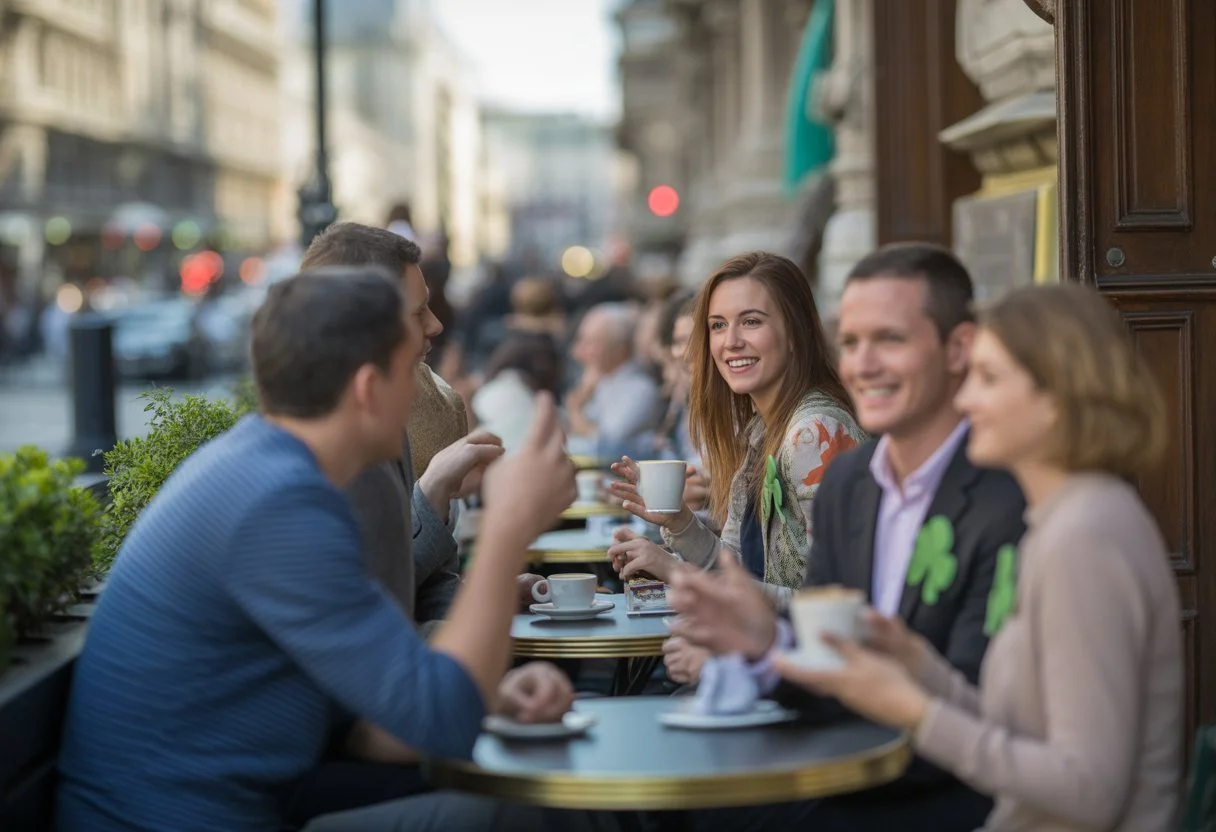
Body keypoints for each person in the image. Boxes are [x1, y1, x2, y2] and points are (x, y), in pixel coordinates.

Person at [55, 267, 578, 832]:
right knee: (521, 812)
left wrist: (490, 697)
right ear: (368, 388)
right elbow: (440, 719)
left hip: (263, 796)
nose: (419, 389)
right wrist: (509, 525)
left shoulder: (273, 471)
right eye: (411, 370)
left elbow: (380, 718)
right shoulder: (278, 504)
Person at [774, 283, 1182, 831]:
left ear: (1056, 397)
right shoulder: (1063, 519)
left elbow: (1089, 789)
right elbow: (1020, 729)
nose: (964, 401)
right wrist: (918, 664)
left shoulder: (1085, 535)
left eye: (988, 380)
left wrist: (916, 711)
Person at [664, 243, 1027, 831]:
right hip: (838, 751)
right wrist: (756, 653)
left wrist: (764, 651)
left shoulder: (1003, 499)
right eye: (854, 342)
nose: (863, 365)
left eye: (891, 340)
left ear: (959, 350)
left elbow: (977, 712)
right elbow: (820, 636)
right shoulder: (854, 480)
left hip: (929, 788)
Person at [565, 301, 662, 461]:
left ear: (620, 348)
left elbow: (606, 446)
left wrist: (574, 410)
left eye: (591, 343)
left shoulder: (640, 389)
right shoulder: (597, 382)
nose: (578, 352)